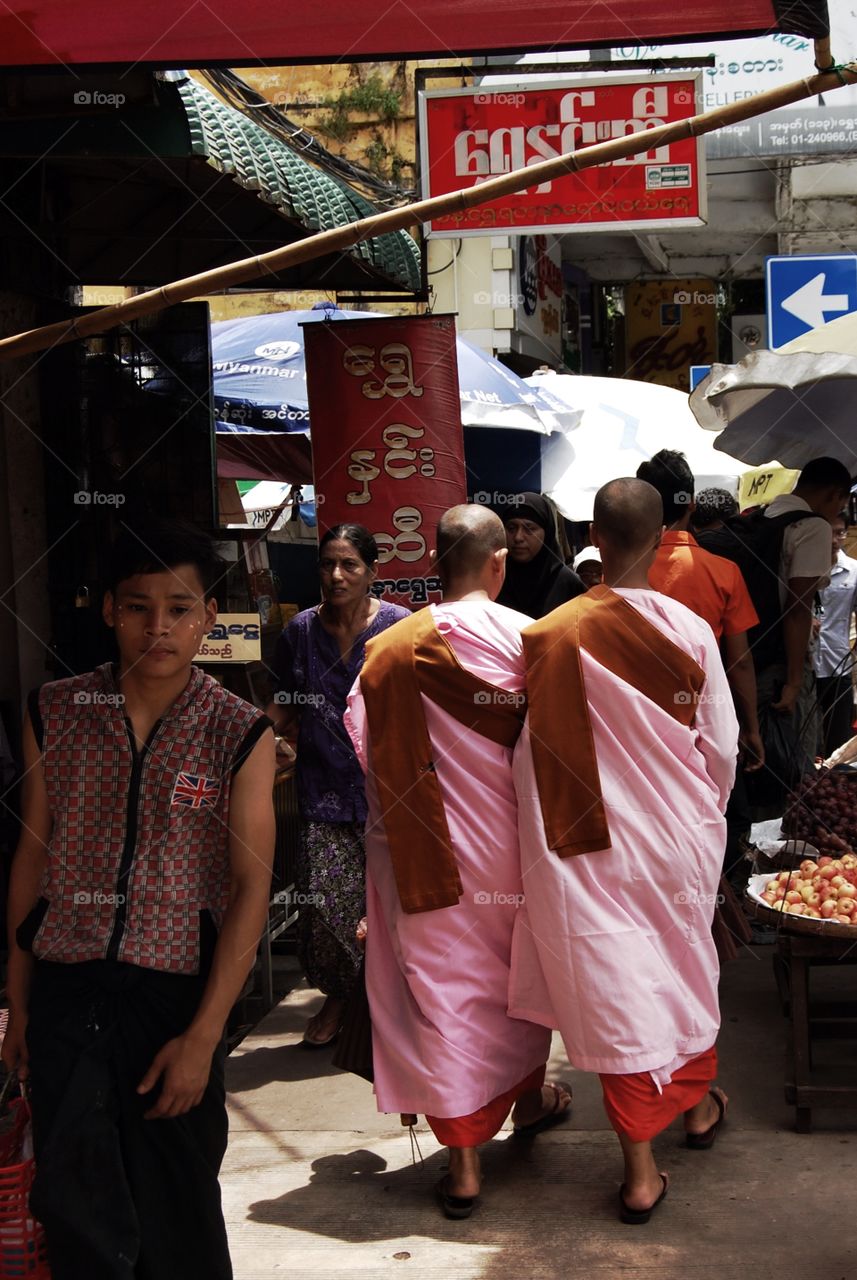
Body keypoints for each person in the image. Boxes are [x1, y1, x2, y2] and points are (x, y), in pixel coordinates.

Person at [3, 518, 276, 1280]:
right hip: (66, 986)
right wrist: (19, 1003)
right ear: (108, 611)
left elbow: (252, 883)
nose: (159, 626)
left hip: (172, 998)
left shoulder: (235, 730)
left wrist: (205, 1035)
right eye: (137, 607)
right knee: (74, 1200)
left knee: (176, 1202)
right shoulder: (55, 710)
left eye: (180, 608)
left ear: (208, 618)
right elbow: (33, 853)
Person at [510, 479, 739, 1224]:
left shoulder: (548, 633)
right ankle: (695, 1106)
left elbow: (525, 758)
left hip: (581, 844)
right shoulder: (690, 629)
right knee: (678, 969)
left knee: (616, 984)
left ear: (593, 539)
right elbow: (723, 748)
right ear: (662, 530)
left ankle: (642, 1171)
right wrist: (699, 816)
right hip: (674, 840)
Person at [345, 505, 569, 1220]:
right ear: (499, 562)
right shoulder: (526, 638)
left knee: (441, 996)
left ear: (436, 560)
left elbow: (362, 746)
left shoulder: (388, 648)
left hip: (417, 853)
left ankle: (465, 1166)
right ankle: (528, 1100)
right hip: (509, 852)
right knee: (516, 982)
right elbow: (559, 748)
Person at [268, 525, 408, 1047]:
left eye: (349, 564)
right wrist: (254, 746)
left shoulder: (400, 628)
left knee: (393, 910)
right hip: (322, 791)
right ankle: (345, 995)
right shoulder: (300, 632)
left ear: (372, 571)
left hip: (389, 796)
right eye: (327, 564)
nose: (336, 575)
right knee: (327, 912)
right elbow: (281, 703)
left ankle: (375, 1007)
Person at [637, 450, 763, 772]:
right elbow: (740, 662)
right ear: (691, 504)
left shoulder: (623, 572)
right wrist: (751, 728)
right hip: (702, 718)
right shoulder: (724, 572)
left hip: (635, 719)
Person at [496, 492, 585, 619]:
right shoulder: (493, 578)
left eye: (529, 529)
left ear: (547, 533)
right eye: (511, 528)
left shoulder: (569, 584)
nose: (518, 537)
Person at [814, 511, 857, 756]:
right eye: (829, 532)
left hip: (837, 665)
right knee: (806, 739)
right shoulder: (802, 567)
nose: (834, 539)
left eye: (840, 532)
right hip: (804, 667)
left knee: (837, 740)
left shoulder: (853, 571)